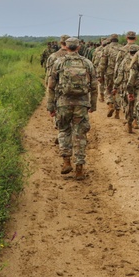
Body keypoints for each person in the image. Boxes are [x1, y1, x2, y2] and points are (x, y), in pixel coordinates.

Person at [46, 37, 98, 181]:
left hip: (63, 103)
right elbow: (94, 86)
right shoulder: (87, 63)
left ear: (66, 47)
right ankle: (79, 168)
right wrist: (93, 105)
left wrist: (50, 106)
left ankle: (66, 161)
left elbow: (51, 86)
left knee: (64, 130)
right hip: (81, 104)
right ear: (79, 47)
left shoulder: (58, 62)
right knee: (80, 134)